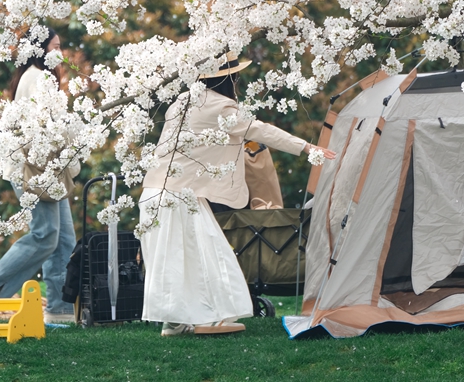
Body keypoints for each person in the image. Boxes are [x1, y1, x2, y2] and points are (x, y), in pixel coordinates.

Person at [139, 52, 336, 336]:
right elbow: (260, 130)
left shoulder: (181, 101)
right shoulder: (221, 108)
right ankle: (203, 319)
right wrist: (307, 147)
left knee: (179, 258)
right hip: (177, 196)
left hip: (156, 193)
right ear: (229, 79)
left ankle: (177, 322)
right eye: (236, 75)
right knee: (205, 254)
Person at [0, 27, 78, 324]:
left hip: (47, 170)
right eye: (55, 46)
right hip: (35, 171)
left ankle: (59, 308)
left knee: (64, 240)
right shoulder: (39, 77)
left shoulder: (33, 76)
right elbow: (44, 127)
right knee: (46, 236)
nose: (60, 52)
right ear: (40, 48)